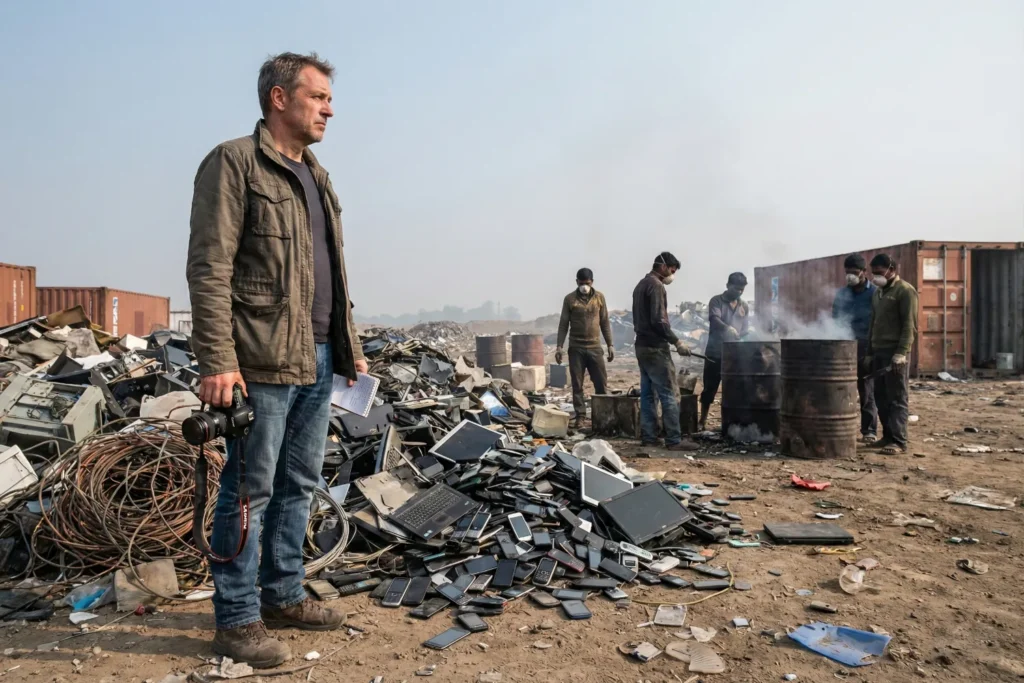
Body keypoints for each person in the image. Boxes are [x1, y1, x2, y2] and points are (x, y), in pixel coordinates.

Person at [186, 52, 366, 668]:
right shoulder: (234, 162)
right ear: (279, 99)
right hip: (257, 360)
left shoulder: (317, 177)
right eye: (318, 97)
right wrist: (217, 358)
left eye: (328, 98)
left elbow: (330, 275)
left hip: (315, 355)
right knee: (247, 489)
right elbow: (210, 266)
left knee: (299, 485)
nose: (329, 108)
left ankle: (283, 593)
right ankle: (236, 620)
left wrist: (349, 350)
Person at [631, 252, 697, 450]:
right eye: (672, 270)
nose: (672, 275)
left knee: (648, 394)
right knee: (669, 394)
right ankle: (674, 440)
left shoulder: (640, 285)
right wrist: (677, 342)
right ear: (662, 266)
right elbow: (659, 321)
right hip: (655, 348)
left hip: (641, 346)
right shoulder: (656, 286)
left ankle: (649, 437)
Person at [865, 253, 918, 455]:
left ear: (891, 269)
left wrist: (901, 353)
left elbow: (909, 326)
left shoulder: (905, 291)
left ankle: (898, 440)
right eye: (873, 273)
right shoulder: (878, 293)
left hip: (895, 353)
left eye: (879, 272)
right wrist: (870, 352)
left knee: (897, 397)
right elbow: (873, 324)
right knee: (880, 396)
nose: (875, 276)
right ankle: (887, 436)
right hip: (879, 351)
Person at [555, 268, 614, 429]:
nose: (584, 287)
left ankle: (602, 416)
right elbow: (563, 324)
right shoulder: (570, 299)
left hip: (595, 347)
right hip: (576, 348)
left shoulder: (599, 298)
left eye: (587, 283)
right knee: (577, 384)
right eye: (581, 284)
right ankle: (580, 416)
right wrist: (559, 346)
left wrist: (610, 344)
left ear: (592, 282)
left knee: (601, 382)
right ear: (576, 282)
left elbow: (605, 323)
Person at [832, 254, 878, 442]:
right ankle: (839, 427)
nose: (850, 275)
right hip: (844, 346)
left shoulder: (874, 293)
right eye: (847, 272)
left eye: (854, 272)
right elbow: (834, 319)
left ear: (863, 272)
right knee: (839, 389)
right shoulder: (842, 294)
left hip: (865, 347)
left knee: (866, 389)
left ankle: (869, 431)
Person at [698, 273, 750, 431]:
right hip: (715, 352)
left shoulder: (744, 306)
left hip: (735, 354)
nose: (739, 292)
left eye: (742, 290)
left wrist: (747, 336)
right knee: (709, 387)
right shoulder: (717, 301)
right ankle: (702, 420)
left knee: (734, 390)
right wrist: (728, 328)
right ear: (728, 285)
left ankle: (730, 421)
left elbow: (745, 329)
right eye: (736, 289)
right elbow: (714, 319)